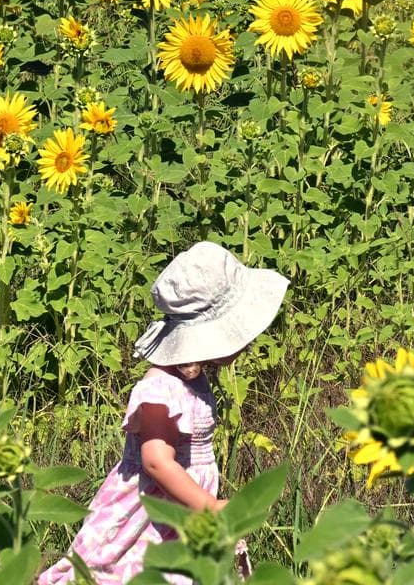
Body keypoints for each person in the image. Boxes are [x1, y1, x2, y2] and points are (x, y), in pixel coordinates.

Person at [38, 241, 290, 585]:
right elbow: (156, 461)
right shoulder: (160, 389)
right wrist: (208, 507)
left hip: (177, 508)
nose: (247, 342)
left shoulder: (190, 377)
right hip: (148, 515)